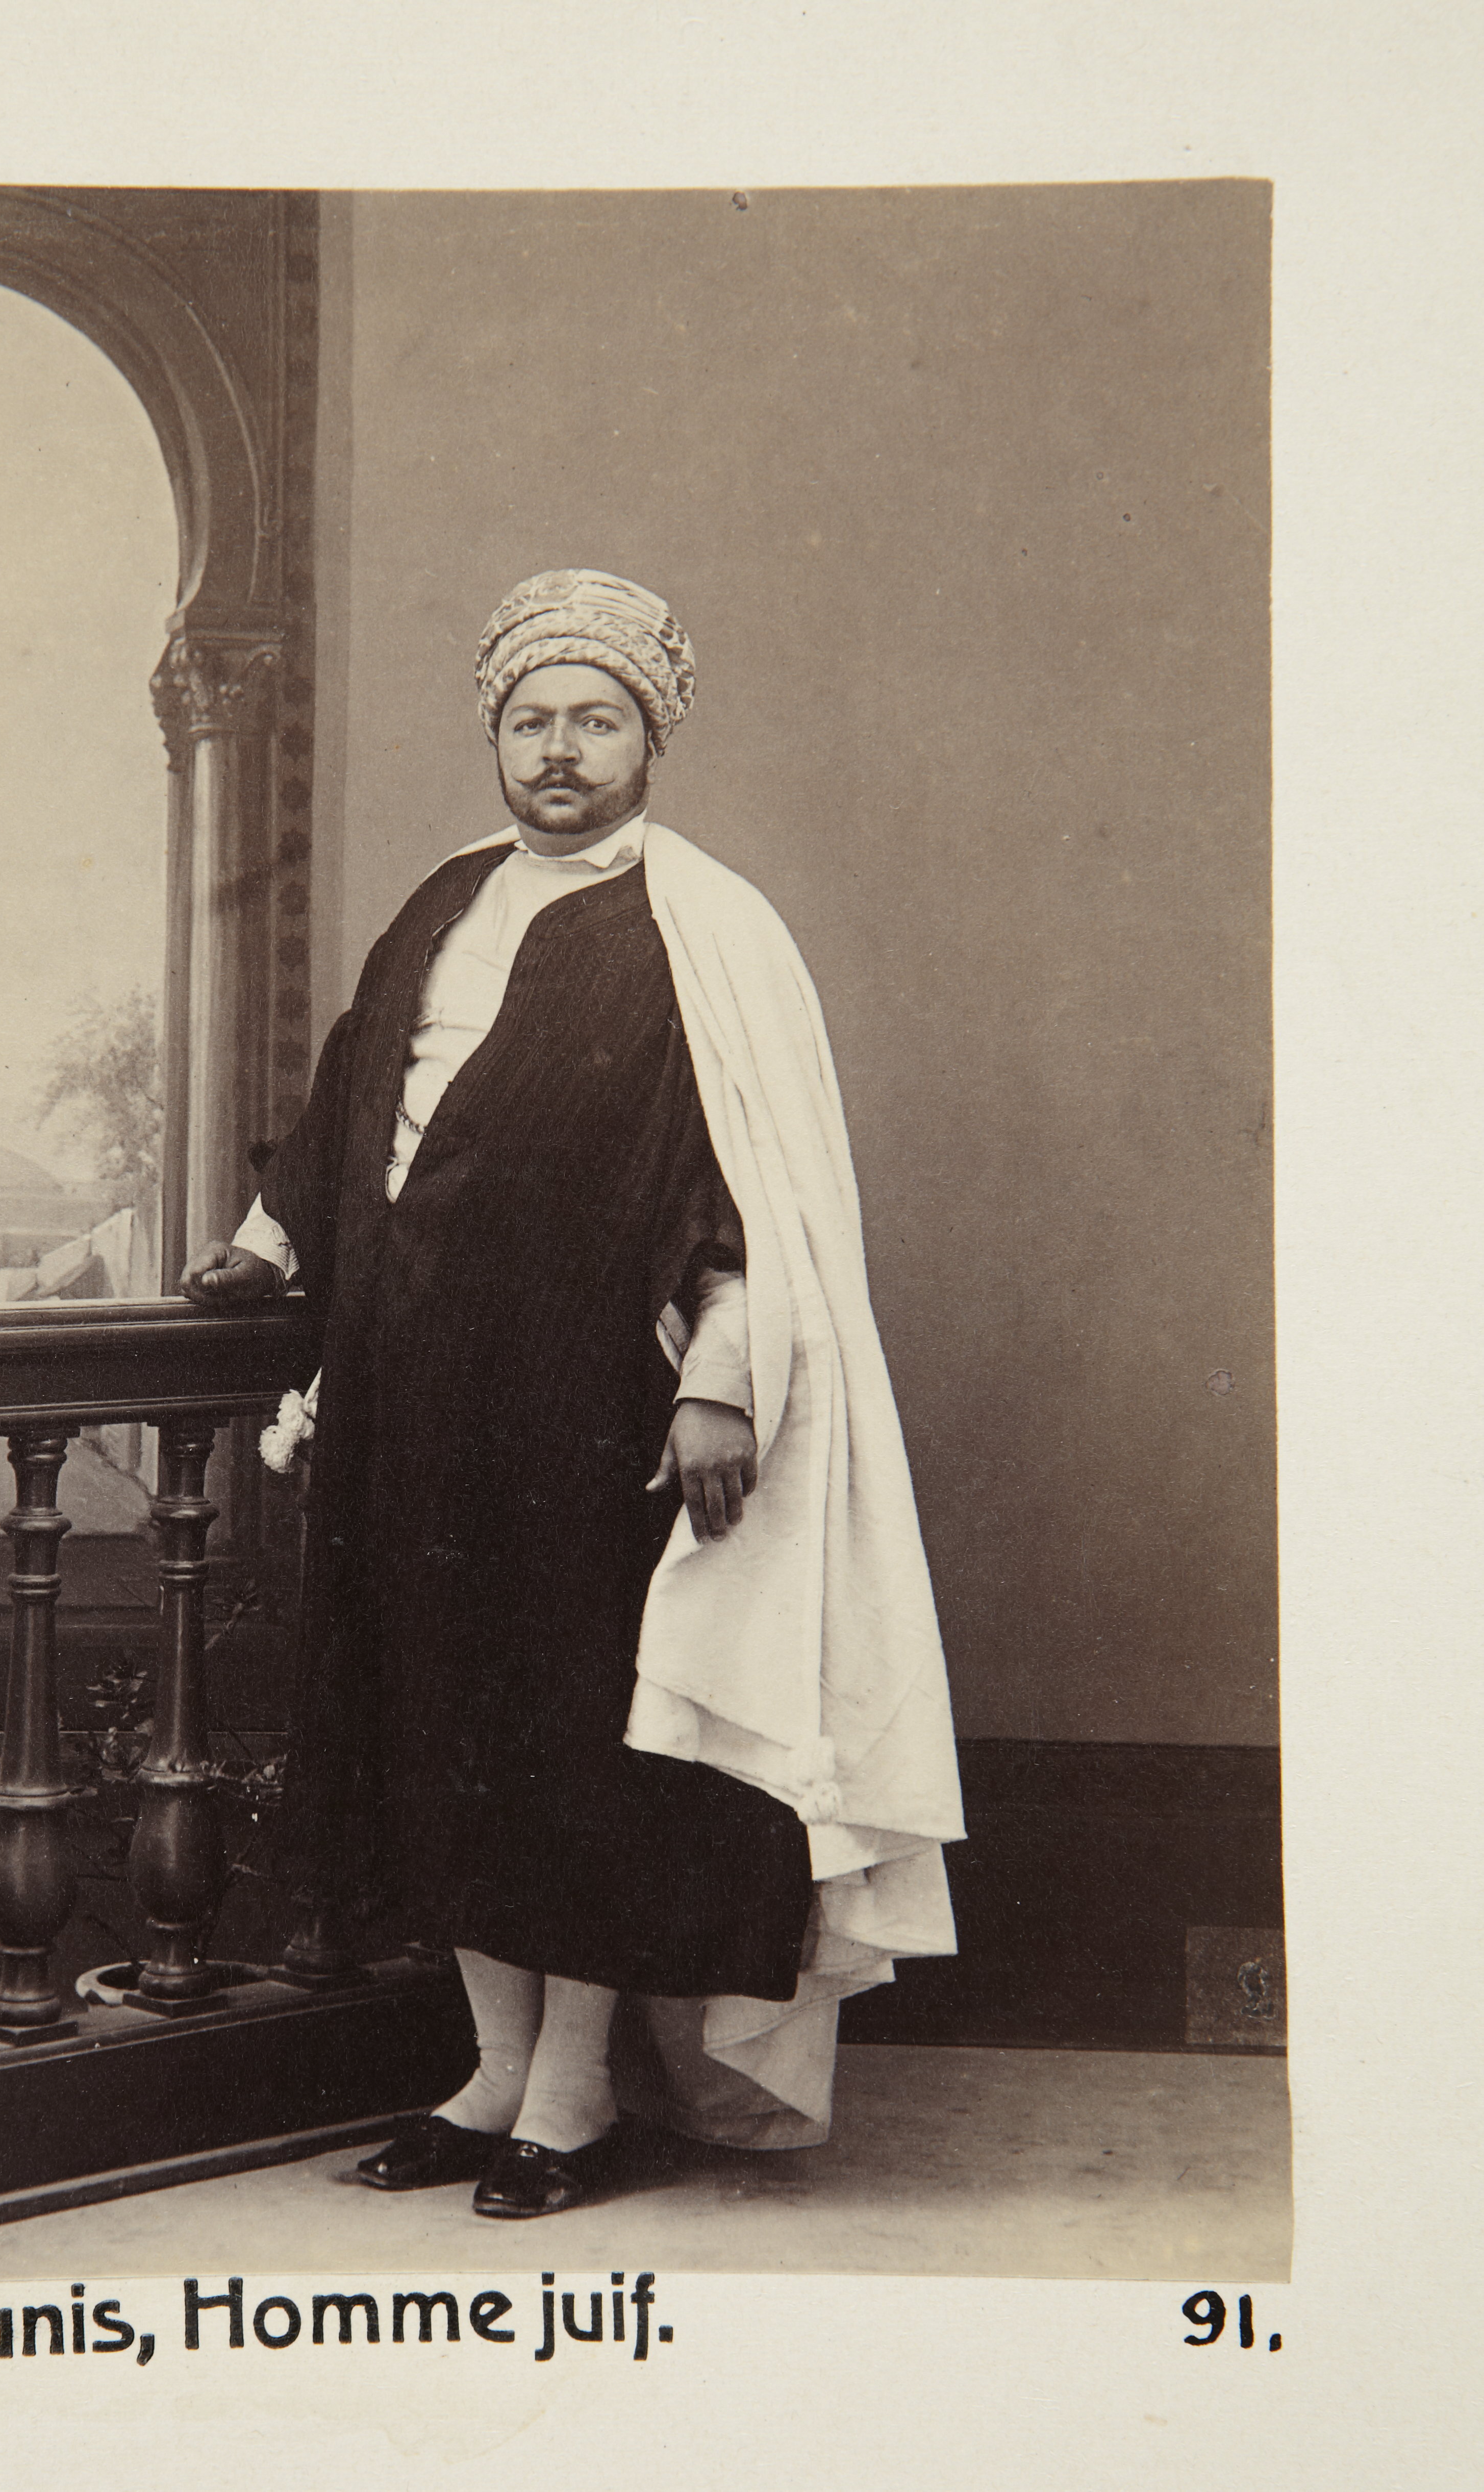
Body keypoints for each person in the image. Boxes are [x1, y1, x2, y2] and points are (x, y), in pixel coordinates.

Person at [182, 569, 963, 2218]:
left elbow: (741, 1189)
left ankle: (574, 2091)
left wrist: (721, 1381)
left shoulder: (705, 933)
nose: (558, 751)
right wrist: (265, 1243)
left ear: (647, 739)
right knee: (433, 1720)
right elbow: (355, 1101)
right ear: (495, 735)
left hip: (586, 1399)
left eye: (594, 721)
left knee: (569, 1741)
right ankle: (488, 2074)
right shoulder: (443, 901)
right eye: (532, 720)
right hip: (407, 1388)